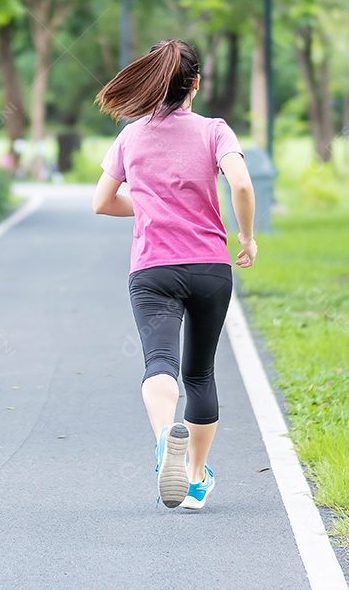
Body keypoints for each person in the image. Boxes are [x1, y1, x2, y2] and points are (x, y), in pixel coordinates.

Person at [91, 39, 257, 510]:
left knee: (158, 363)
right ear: (196, 85)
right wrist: (245, 237)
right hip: (209, 266)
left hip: (153, 268)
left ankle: (166, 437)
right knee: (200, 372)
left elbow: (101, 202)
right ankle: (196, 477)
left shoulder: (131, 136)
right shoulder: (214, 130)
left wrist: (145, 206)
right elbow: (241, 182)